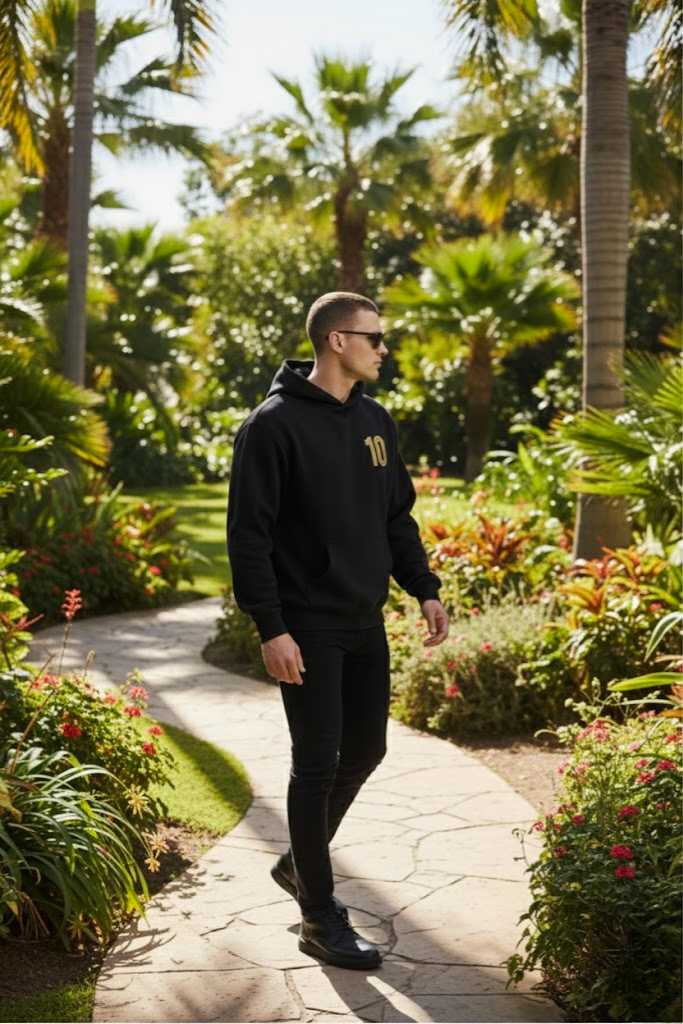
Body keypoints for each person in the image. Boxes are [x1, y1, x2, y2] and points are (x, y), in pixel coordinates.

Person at [227, 292, 449, 970]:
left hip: (363, 620)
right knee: (317, 762)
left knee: (366, 750)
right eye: (373, 337)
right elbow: (249, 536)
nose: (383, 348)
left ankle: (300, 862)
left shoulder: (375, 420)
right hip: (306, 627)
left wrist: (424, 587)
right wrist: (272, 627)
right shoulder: (271, 426)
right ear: (335, 341)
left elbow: (395, 517)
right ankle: (319, 917)